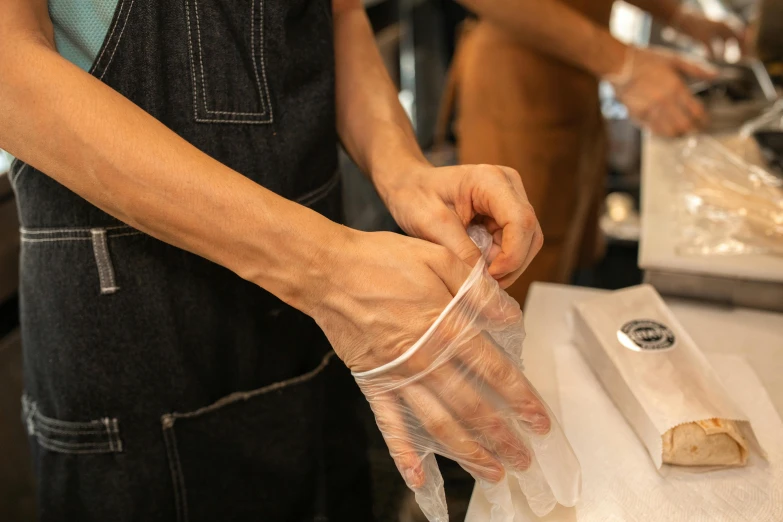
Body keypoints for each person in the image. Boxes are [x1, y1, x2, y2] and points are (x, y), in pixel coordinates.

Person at [0, 1, 545, 521]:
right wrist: (329, 270)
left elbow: (340, 14)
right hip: (136, 323)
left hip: (316, 328)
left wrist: (403, 171)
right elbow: (11, 75)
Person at [444, 0, 744, 304]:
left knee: (567, 257)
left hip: (580, 76)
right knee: (513, 271)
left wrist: (676, 15)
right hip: (518, 85)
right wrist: (624, 62)